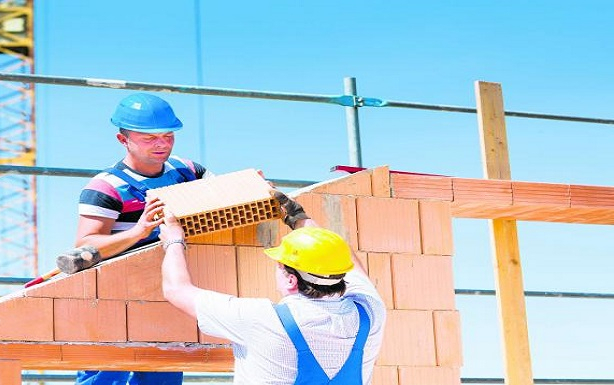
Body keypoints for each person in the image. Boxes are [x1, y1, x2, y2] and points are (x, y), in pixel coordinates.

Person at [58, 93, 212, 385]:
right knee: (106, 375)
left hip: (165, 295)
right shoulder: (106, 187)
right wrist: (138, 231)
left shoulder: (187, 171)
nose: (161, 144)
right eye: (149, 138)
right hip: (113, 297)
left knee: (161, 374)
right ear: (123, 139)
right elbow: (86, 245)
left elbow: (223, 197)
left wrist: (250, 187)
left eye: (168, 136)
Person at [158, 191, 386, 385]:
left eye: (279, 266)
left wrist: (173, 240)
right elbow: (341, 258)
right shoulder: (370, 312)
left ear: (291, 280)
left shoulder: (262, 319)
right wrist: (297, 217)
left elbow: (176, 290)